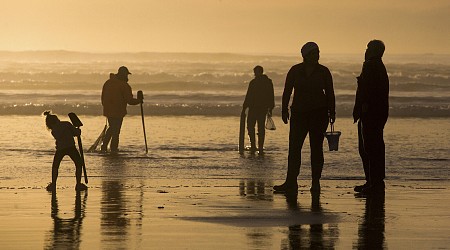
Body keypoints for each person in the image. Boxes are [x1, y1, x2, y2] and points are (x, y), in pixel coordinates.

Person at [273, 42, 336, 193]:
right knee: (294, 148)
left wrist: (332, 112)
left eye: (318, 52)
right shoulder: (295, 70)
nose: (317, 55)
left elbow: (330, 93)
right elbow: (287, 91)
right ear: (305, 56)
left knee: (316, 149)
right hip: (299, 113)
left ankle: (315, 182)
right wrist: (283, 110)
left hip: (319, 114)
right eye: (314, 53)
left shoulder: (323, 71)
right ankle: (291, 182)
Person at [353, 40, 389, 194]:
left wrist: (362, 108)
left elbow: (366, 90)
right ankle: (375, 182)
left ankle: (373, 183)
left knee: (368, 148)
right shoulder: (379, 66)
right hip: (379, 112)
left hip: (370, 113)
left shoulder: (370, 65)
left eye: (368, 48)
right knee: (375, 146)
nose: (365, 51)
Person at [101, 66, 142, 153]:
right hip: (118, 111)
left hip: (108, 109)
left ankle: (104, 147)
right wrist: (139, 101)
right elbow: (129, 100)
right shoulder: (124, 85)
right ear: (123, 75)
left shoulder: (108, 82)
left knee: (112, 128)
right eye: (126, 75)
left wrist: (105, 106)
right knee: (116, 131)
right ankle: (113, 149)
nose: (127, 77)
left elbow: (103, 97)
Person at [43, 111, 87, 192]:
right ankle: (78, 184)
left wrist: (74, 133)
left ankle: (53, 184)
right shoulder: (67, 124)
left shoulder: (53, 131)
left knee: (55, 166)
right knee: (78, 164)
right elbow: (75, 133)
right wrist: (78, 131)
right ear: (57, 119)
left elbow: (61, 136)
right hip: (71, 147)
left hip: (60, 149)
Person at [242, 65, 275, 154]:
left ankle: (254, 146)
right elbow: (271, 95)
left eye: (255, 72)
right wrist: (271, 107)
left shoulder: (254, 82)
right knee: (260, 128)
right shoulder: (267, 82)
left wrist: (245, 106)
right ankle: (258, 147)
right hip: (261, 108)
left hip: (255, 108)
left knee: (251, 126)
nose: (255, 74)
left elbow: (249, 95)